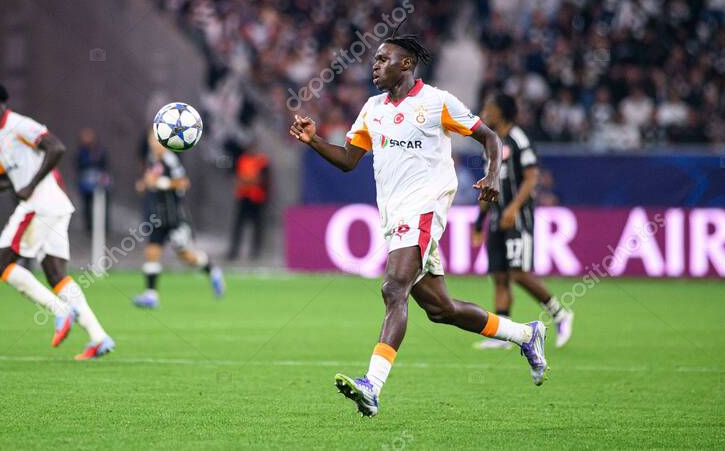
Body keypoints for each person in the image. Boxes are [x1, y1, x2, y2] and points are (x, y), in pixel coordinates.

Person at [290, 34, 548, 418]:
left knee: (395, 287)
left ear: (406, 64)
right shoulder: (372, 109)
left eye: (383, 59)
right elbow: (348, 159)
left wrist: (492, 175)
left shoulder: (437, 102)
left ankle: (372, 386)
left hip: (424, 209)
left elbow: (489, 136)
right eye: (374, 60)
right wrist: (313, 140)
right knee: (441, 309)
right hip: (394, 217)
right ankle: (526, 335)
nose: (374, 65)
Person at [0, 81, 114, 360]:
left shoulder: (20, 125)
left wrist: (32, 183)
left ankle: (60, 310)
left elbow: (56, 147)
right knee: (56, 274)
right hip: (51, 205)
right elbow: (6, 179)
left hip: (39, 205)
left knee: (1, 264)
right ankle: (98, 336)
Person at [472, 94, 573, 350]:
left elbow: (531, 178)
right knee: (499, 276)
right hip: (495, 218)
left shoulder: (519, 138)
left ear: (501, 112)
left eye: (489, 107)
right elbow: (488, 186)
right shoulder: (490, 143)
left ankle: (560, 313)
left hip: (518, 218)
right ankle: (504, 334)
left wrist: (514, 208)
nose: (484, 112)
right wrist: (478, 222)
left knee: (518, 274)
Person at [132, 130, 225, 309]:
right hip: (158, 216)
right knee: (151, 252)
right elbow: (149, 180)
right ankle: (151, 295)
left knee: (186, 256)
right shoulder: (152, 159)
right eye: (151, 139)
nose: (153, 143)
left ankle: (213, 270)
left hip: (174, 217)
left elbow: (183, 183)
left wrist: (161, 183)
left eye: (156, 140)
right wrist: (143, 185)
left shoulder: (170, 159)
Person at [228, 148, 270, 261]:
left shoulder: (261, 160)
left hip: (256, 197)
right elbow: (236, 177)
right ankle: (234, 251)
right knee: (239, 225)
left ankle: (256, 251)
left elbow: (263, 179)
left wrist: (247, 180)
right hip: (244, 197)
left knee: (257, 226)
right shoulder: (242, 159)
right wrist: (249, 180)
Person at [75, 127, 110, 234]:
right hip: (86, 184)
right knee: (87, 206)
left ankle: (104, 228)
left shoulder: (100, 150)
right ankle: (89, 228)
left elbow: (105, 165)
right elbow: (78, 165)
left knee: (102, 204)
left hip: (100, 183)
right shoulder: (81, 151)